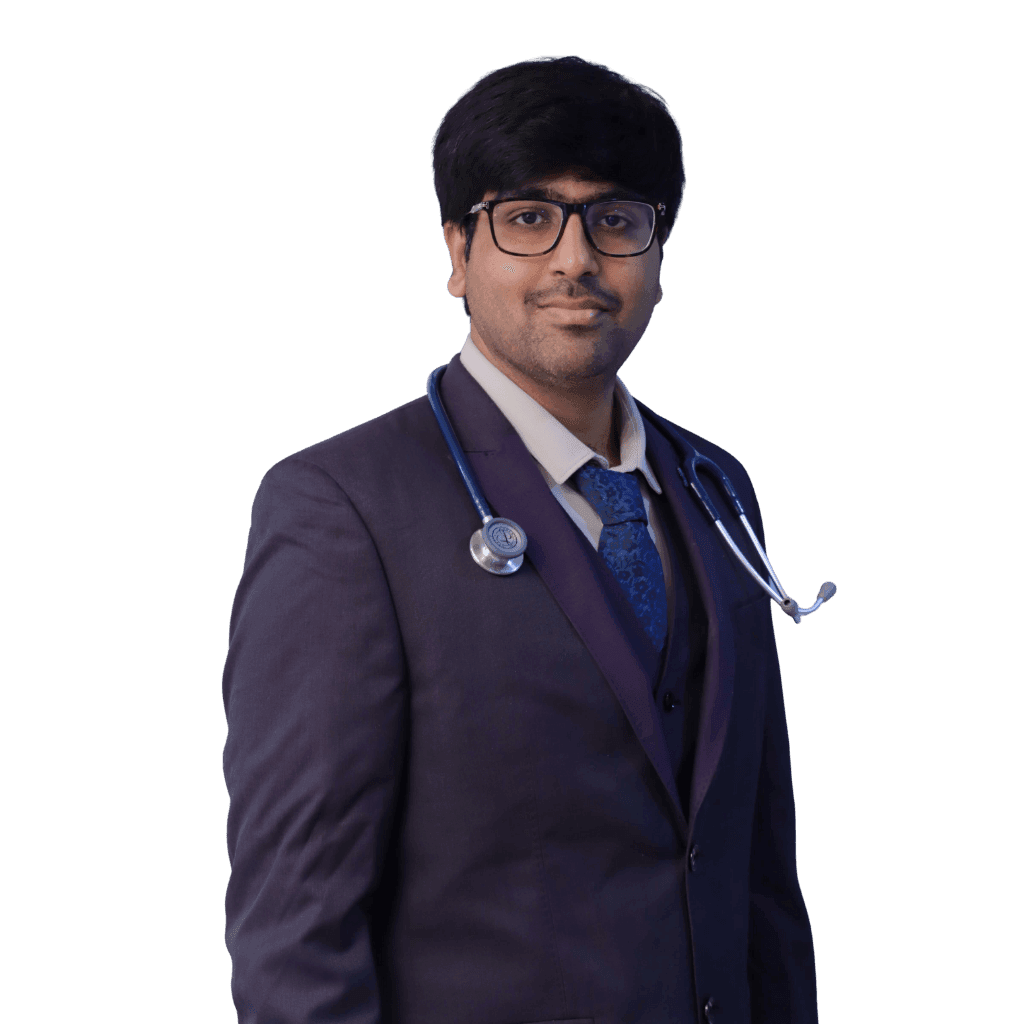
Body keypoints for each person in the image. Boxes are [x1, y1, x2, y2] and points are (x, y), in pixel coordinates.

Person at [221, 55, 819, 1024]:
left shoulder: (716, 485)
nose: (576, 260)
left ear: (659, 254)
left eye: (615, 220)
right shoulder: (342, 507)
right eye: (529, 218)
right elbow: (295, 926)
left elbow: (758, 874)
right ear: (458, 252)